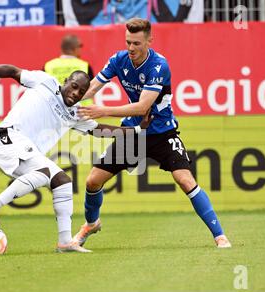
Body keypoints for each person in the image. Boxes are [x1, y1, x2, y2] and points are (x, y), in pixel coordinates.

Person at [0, 53, 151, 253]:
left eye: (82, 92)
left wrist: (137, 130)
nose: (76, 93)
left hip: (20, 149)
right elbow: (13, 71)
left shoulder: (76, 113)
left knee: (62, 182)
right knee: (45, 173)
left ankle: (65, 242)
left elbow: (100, 129)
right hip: (5, 138)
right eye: (74, 86)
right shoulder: (46, 82)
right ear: (66, 81)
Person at [73, 18, 231, 249]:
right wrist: (67, 100)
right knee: (92, 181)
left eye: (136, 43)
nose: (131, 48)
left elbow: (142, 107)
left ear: (149, 40)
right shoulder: (119, 60)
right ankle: (91, 224)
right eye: (128, 42)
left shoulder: (159, 65)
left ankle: (220, 236)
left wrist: (102, 110)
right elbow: (93, 87)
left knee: (185, 179)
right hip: (133, 133)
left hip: (162, 133)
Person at [44, 34, 94, 106]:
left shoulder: (48, 66)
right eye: (80, 46)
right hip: (82, 111)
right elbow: (92, 91)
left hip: (55, 109)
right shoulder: (85, 65)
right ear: (75, 48)